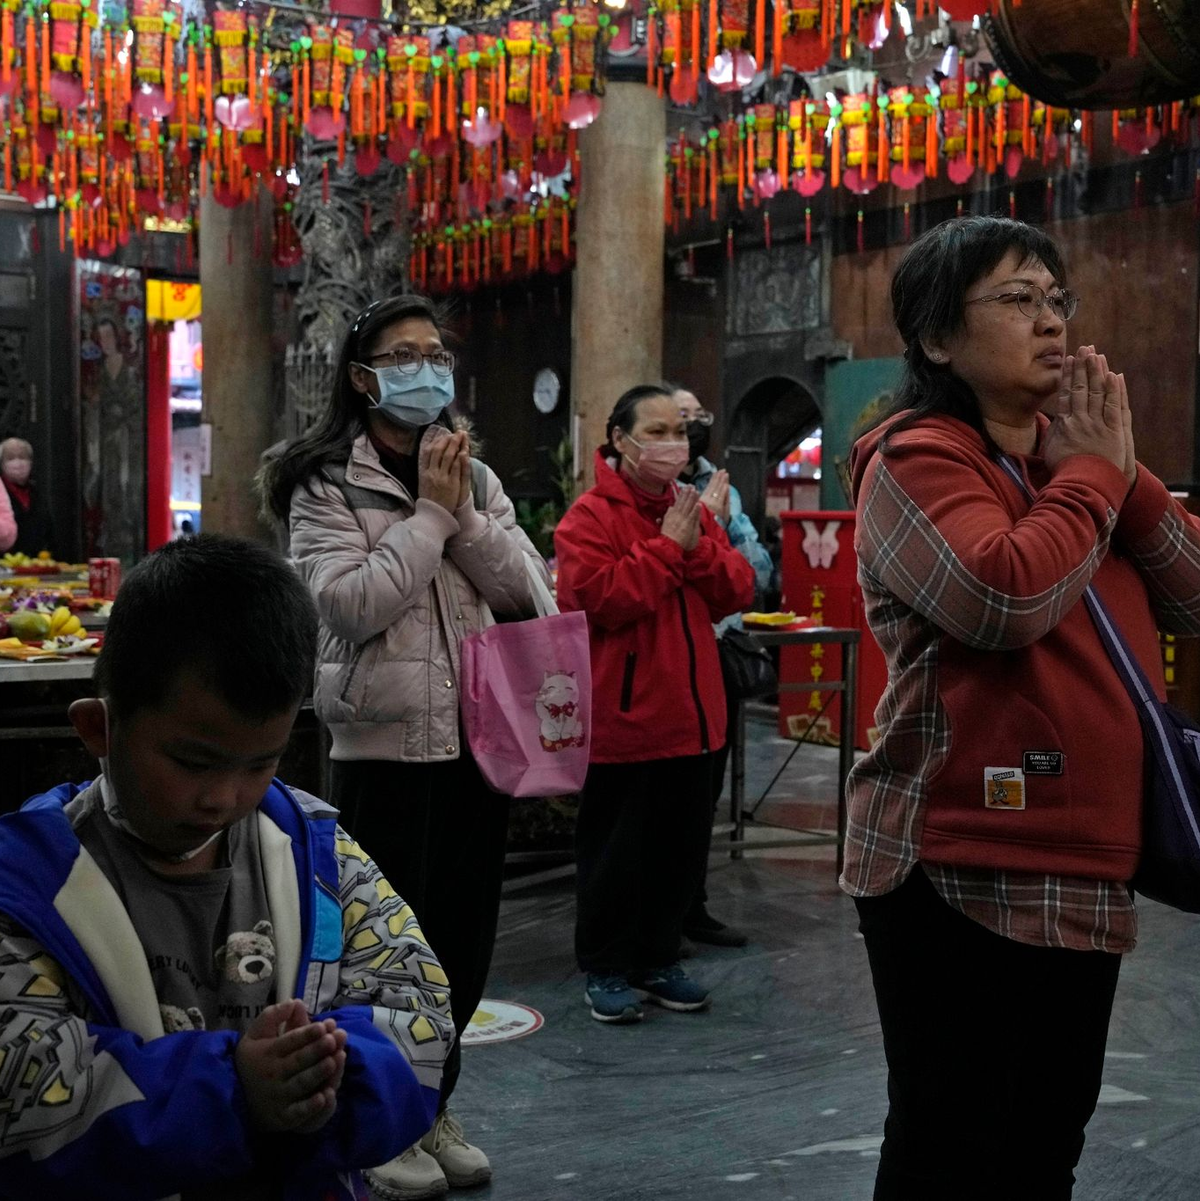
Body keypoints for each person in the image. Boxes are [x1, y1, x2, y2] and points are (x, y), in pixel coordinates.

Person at [844, 214, 1200, 1200]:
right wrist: (1093, 476)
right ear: (936, 337)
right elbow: (1001, 597)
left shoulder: (1082, 463)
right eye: (1016, 299)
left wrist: (1120, 483)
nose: (1051, 322)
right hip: (958, 857)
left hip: (1087, 856)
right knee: (952, 1146)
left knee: (1046, 1143)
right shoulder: (914, 461)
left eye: (1057, 299)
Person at [0, 534, 455, 1200]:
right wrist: (234, 1089)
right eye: (192, 761)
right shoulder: (28, 883)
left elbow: (418, 1010)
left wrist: (321, 1079)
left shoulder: (319, 856)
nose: (225, 798)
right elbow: (20, 1082)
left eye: (259, 763)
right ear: (100, 727)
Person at [257, 294, 547, 1199]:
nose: (427, 367)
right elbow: (345, 606)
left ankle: (433, 1105)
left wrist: (460, 509)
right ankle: (375, 1116)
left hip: (477, 740)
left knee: (460, 941)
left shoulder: (476, 475)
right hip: (381, 746)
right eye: (404, 352)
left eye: (435, 352)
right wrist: (428, 513)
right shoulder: (324, 484)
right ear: (363, 376)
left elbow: (531, 595)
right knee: (381, 949)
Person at [554, 385, 756, 1023]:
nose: (674, 443)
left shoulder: (689, 507)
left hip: (695, 720)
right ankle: (607, 968)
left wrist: (692, 544)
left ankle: (660, 958)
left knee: (679, 853)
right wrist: (669, 548)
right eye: (659, 430)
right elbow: (599, 600)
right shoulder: (588, 518)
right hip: (626, 719)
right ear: (620, 438)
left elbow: (737, 589)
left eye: (680, 431)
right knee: (615, 854)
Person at [671, 386, 774, 950]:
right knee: (662, 800)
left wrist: (716, 527)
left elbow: (754, 570)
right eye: (676, 419)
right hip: (665, 663)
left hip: (716, 655)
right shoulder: (645, 491)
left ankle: (693, 906)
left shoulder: (721, 488)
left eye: (696, 418)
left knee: (703, 795)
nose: (688, 428)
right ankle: (654, 920)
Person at [0, 436, 54, 556]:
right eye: (10, 458)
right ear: (2, 463)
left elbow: (48, 532)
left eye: (22, 457)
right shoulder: (1, 494)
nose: (18, 462)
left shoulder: (36, 493)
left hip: (37, 564)